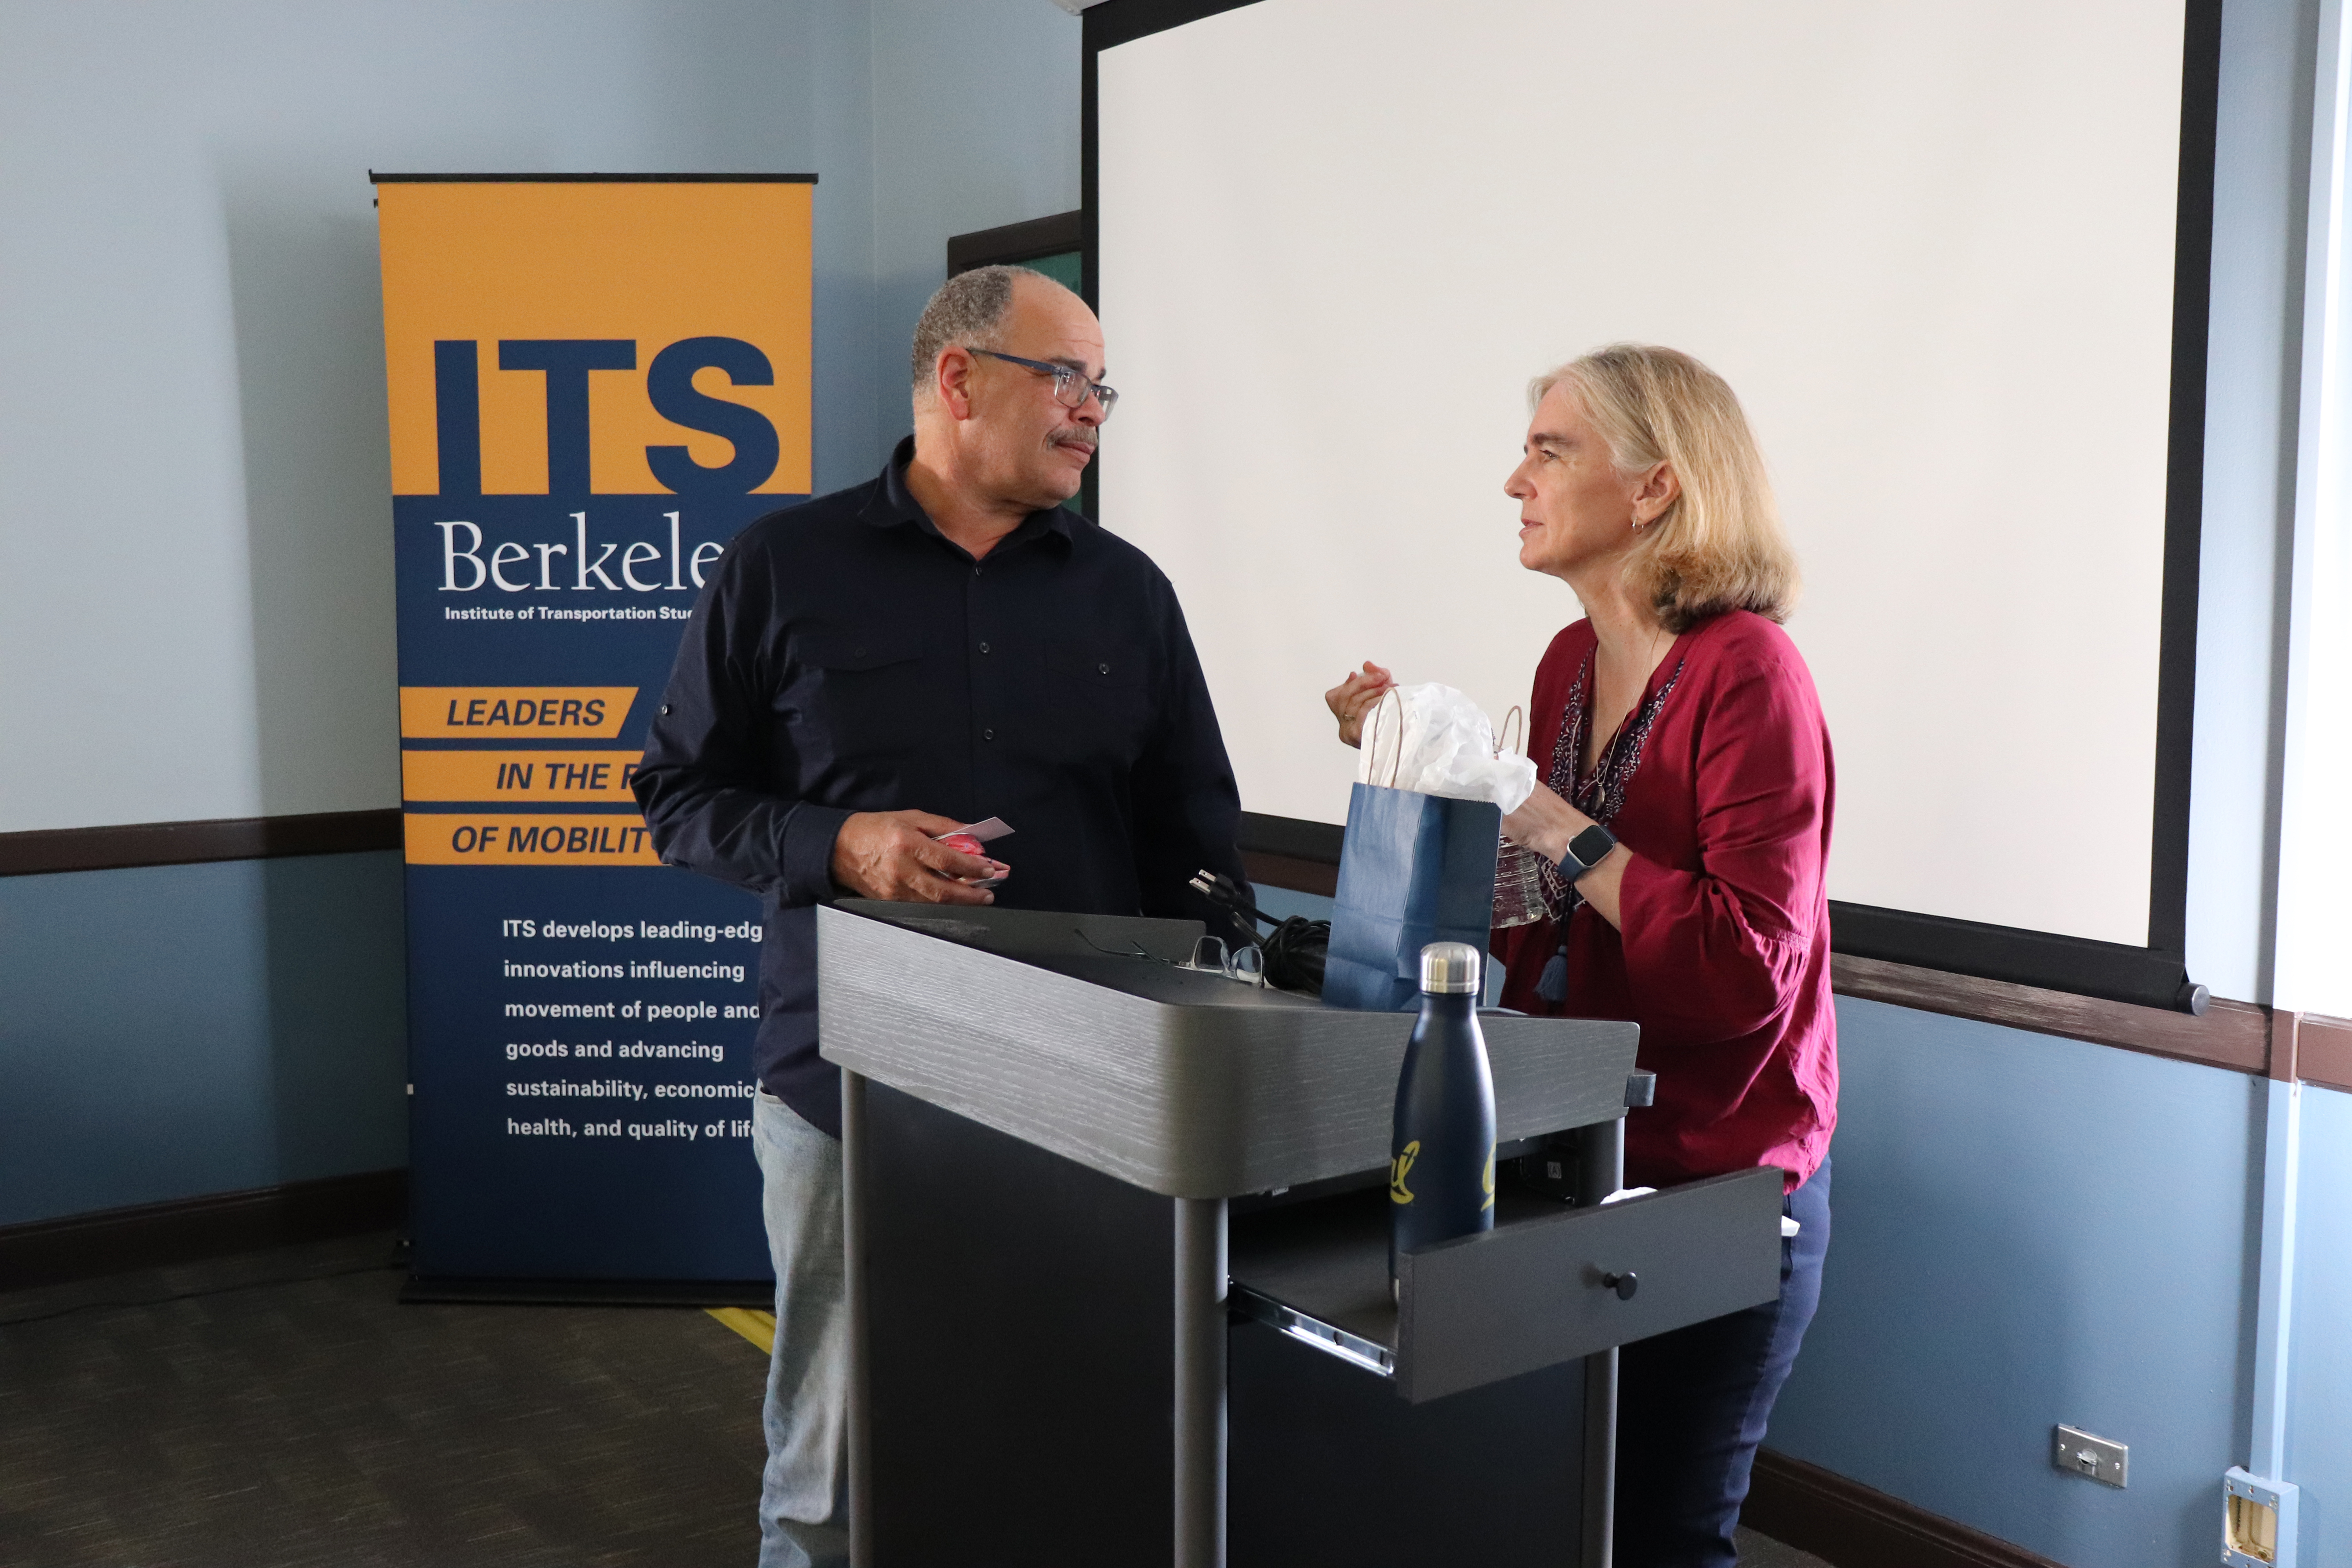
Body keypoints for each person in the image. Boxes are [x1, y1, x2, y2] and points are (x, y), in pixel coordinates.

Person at [632, 264, 1252, 1568]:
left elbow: (1194, 842)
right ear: (959, 380)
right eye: (1068, 379)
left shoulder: (1127, 594)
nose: (1094, 412)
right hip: (847, 1086)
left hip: (1085, 1091)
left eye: (1104, 389)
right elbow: (678, 795)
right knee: (831, 1460)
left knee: (1072, 1430)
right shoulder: (780, 568)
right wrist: (835, 844)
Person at [1325, 343, 1837, 1568]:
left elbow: (1738, 974)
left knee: (1665, 1536)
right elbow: (1540, 921)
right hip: (1581, 1152)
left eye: (1551, 450)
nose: (1516, 478)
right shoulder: (1569, 666)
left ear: (1655, 487)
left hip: (1719, 1181)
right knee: (1561, 1510)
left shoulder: (1750, 674)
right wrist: (1418, 763)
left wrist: (1544, 812)